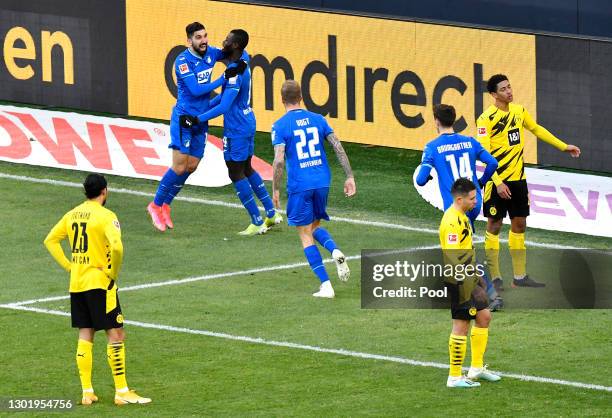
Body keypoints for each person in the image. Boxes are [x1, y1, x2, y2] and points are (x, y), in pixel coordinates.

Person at [44, 174, 151, 405]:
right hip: (100, 283)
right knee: (116, 333)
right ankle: (121, 391)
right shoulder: (106, 216)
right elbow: (117, 246)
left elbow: (50, 240)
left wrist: (69, 266)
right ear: (104, 191)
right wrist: (113, 272)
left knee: (86, 333)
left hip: (78, 283)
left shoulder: (72, 214)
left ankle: (87, 392)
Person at [477, 74, 581, 290]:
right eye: (504, 89)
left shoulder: (519, 111)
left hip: (518, 181)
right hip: (497, 181)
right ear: (494, 94)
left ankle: (520, 276)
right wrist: (496, 182)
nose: (509, 91)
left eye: (510, 86)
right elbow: (483, 152)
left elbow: (536, 129)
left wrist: (563, 146)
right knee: (494, 225)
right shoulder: (486, 119)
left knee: (519, 224)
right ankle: (495, 278)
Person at [147, 22, 247, 232]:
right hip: (184, 118)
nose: (204, 41)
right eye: (199, 37)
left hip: (200, 119)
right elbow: (195, 90)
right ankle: (155, 205)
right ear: (189, 40)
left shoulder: (211, 53)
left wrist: (243, 62)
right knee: (179, 165)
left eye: (205, 36)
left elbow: (233, 53)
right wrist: (223, 78)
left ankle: (166, 205)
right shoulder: (182, 61)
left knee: (192, 165)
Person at [181, 29, 282, 236]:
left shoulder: (236, 73)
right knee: (246, 167)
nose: (223, 41)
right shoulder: (242, 58)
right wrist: (203, 109)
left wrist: (198, 118)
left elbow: (225, 105)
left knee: (235, 171)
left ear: (235, 45)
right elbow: (222, 96)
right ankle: (271, 213)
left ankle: (256, 221)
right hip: (247, 120)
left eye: (227, 40)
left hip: (236, 126)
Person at [270, 80, 356, 298]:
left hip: (300, 184)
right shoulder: (318, 119)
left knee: (304, 233)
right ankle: (335, 250)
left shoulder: (280, 126)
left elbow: (279, 160)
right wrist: (349, 176)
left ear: (282, 100)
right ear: (301, 97)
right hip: (322, 181)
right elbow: (337, 146)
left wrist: (275, 189)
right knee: (315, 225)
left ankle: (326, 285)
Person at [415, 104, 503, 311]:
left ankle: (488, 295)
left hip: (457, 209)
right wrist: (480, 183)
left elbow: (419, 180)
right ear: (454, 120)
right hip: (474, 202)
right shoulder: (470, 142)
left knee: (461, 254)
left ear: (436, 120)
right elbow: (493, 163)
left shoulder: (432, 147)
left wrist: (428, 175)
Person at [439, 178, 501, 388]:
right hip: (459, 280)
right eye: (473, 198)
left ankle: (476, 368)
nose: (477, 201)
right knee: (461, 326)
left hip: (470, 276)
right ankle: (454, 377)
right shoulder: (451, 221)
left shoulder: (462, 217)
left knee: (484, 317)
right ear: (459, 199)